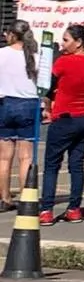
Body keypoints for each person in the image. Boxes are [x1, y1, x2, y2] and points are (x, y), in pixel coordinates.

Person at [41, 25, 84, 223]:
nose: (63, 43)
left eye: (66, 40)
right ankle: (74, 208)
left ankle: (47, 210)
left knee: (52, 165)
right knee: (76, 165)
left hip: (65, 118)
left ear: (78, 42)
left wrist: (47, 106)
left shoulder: (64, 62)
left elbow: (48, 87)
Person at [0, 21, 39, 209]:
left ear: (12, 35)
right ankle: (26, 199)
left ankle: (4, 198)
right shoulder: (34, 56)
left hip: (5, 103)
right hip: (29, 104)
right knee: (26, 157)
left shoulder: (1, 54)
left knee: (4, 157)